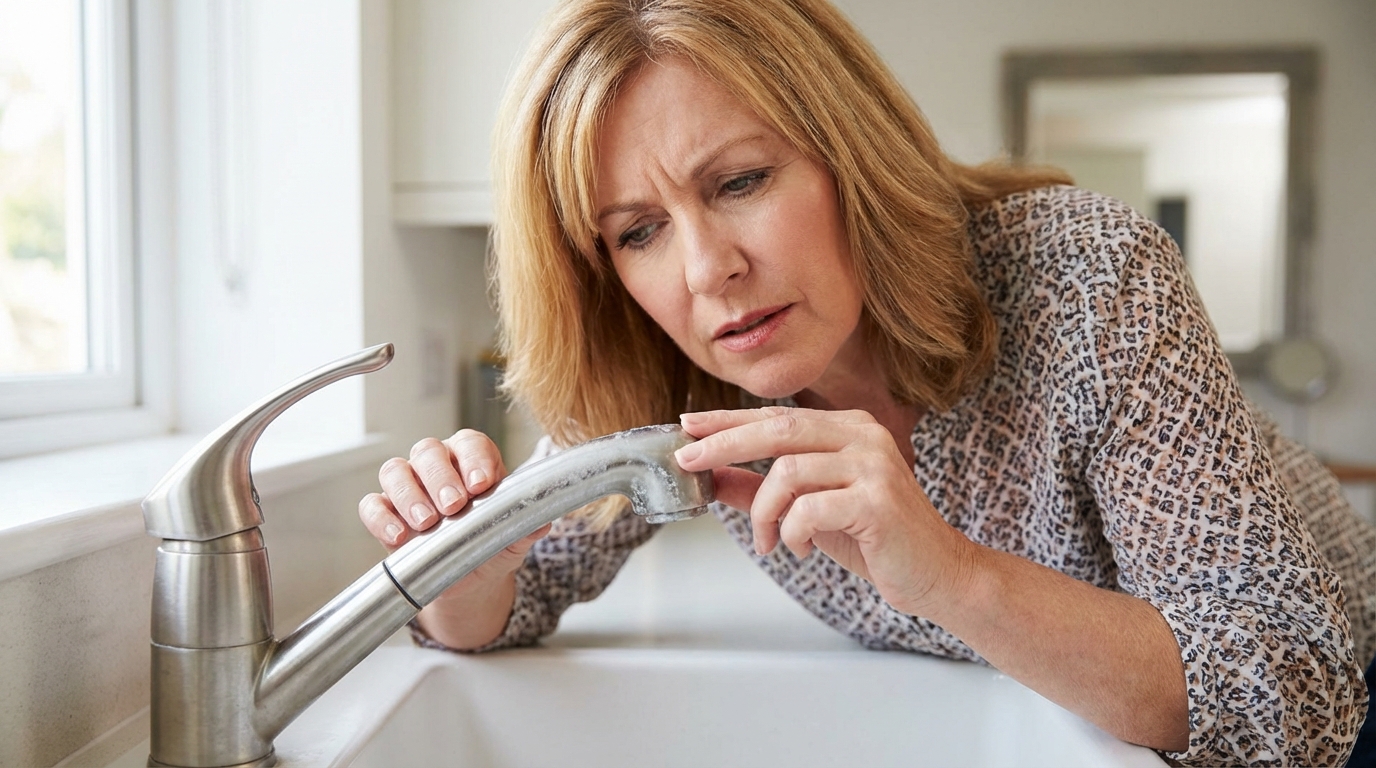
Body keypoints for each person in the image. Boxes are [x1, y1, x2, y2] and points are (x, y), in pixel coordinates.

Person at [357, 0, 1376, 764]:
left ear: (849, 150)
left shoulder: (1085, 279)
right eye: (637, 232)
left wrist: (949, 573)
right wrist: (464, 565)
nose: (707, 270)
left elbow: (1288, 703)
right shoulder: (668, 369)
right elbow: (510, 603)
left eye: (740, 182)